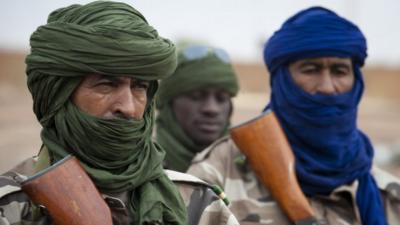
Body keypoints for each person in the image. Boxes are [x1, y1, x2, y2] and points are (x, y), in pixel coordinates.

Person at [0, 2, 239, 225]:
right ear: (59, 96)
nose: (128, 108)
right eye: (106, 85)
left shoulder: (198, 202)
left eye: (139, 87)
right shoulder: (11, 206)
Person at [188, 6, 400, 225]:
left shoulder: (387, 196)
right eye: (310, 70)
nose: (327, 87)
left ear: (356, 81)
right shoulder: (218, 174)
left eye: (339, 71)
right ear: (282, 81)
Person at [155, 44, 239, 172]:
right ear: (169, 104)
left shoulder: (251, 166)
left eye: (221, 98)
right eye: (196, 97)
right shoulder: (137, 167)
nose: (212, 109)